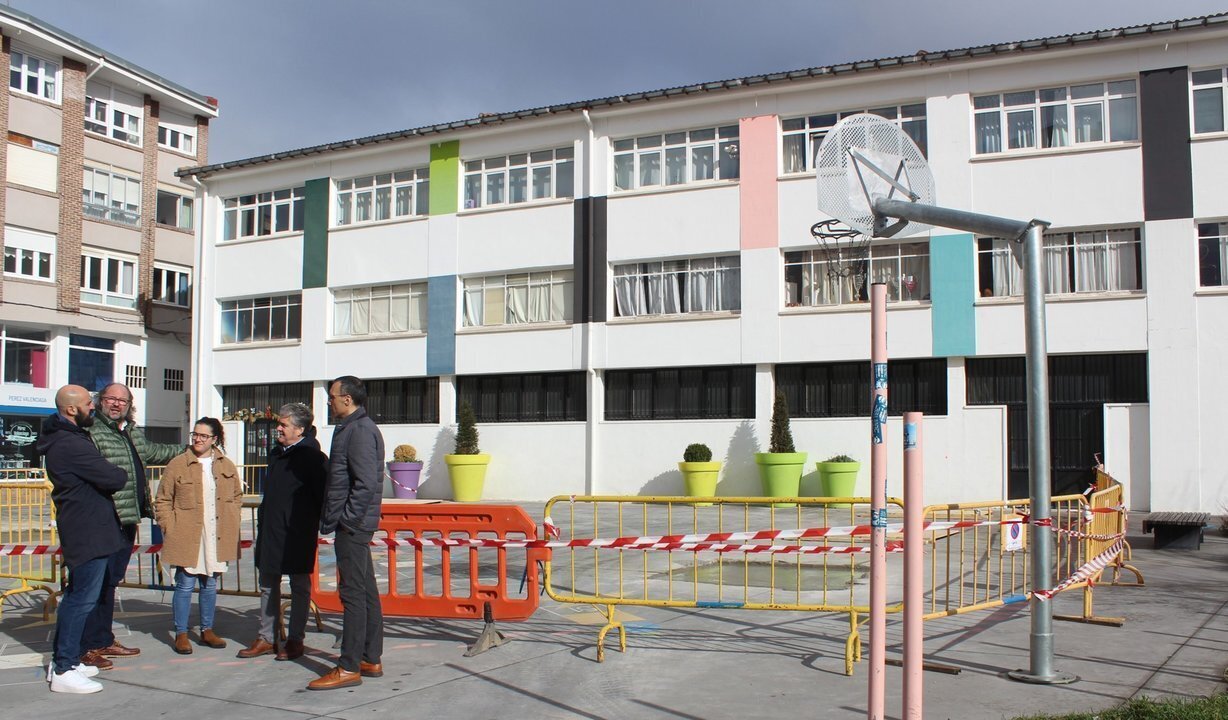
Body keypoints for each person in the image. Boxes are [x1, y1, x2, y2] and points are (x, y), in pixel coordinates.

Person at [80, 383, 182, 669]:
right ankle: (86, 646)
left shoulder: (130, 431)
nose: (116, 404)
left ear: (129, 404)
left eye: (122, 400)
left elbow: (155, 452)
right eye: (111, 399)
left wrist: (190, 448)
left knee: (110, 582)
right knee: (93, 585)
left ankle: (102, 639)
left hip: (127, 518)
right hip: (103, 519)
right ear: (100, 401)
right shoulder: (92, 431)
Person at [38, 385, 128, 694]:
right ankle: (64, 667)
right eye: (89, 403)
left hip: (88, 528)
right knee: (80, 600)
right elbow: (114, 477)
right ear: (71, 409)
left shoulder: (70, 438)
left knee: (79, 597)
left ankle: (67, 660)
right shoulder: (70, 444)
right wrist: (114, 470)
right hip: (87, 532)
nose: (93, 407)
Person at [308, 376, 385, 691]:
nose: (329, 401)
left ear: (347, 399)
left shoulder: (360, 431)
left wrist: (349, 521)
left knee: (352, 594)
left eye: (332, 396)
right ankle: (369, 657)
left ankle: (349, 665)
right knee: (365, 591)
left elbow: (365, 483)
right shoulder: (351, 428)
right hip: (354, 523)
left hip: (353, 526)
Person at [237, 402, 327, 661]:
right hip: (271, 529)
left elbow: (321, 497)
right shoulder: (276, 454)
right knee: (268, 583)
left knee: (299, 585)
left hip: (297, 532)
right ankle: (267, 637)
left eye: (283, 424)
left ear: (299, 429)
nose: (278, 428)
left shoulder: (314, 458)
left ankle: (296, 639)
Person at [152, 418, 243, 655]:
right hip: (187, 532)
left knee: (210, 583)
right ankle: (181, 633)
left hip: (216, 533)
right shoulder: (178, 464)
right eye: (195, 434)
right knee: (184, 584)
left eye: (203, 436)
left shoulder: (225, 465)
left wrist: (232, 516)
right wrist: (169, 526)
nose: (197, 439)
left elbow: (236, 496)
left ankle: (207, 630)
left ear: (214, 439)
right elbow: (163, 499)